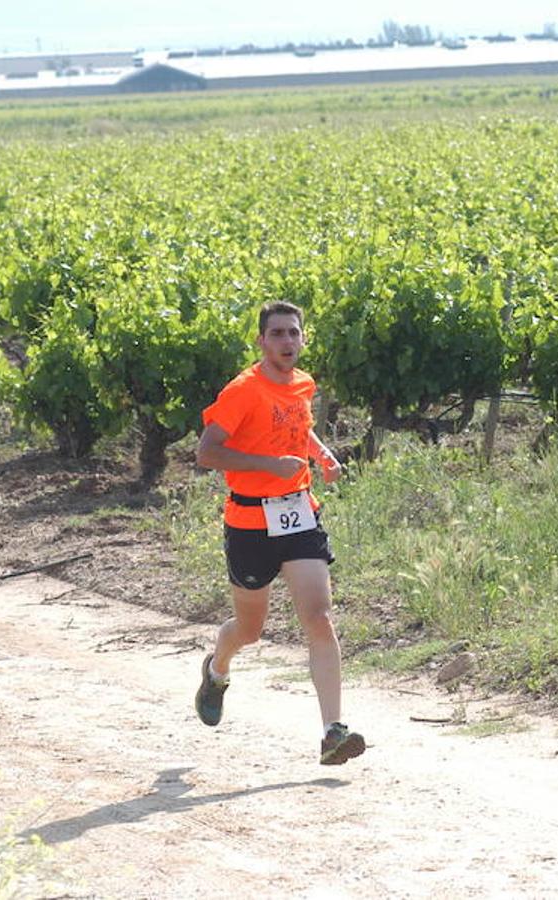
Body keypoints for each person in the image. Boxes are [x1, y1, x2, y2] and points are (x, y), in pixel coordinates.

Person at [193, 301, 366, 766]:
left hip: (299, 515)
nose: (287, 342)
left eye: (294, 333)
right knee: (249, 630)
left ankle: (333, 731)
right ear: (261, 341)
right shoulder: (243, 390)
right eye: (277, 334)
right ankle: (216, 670)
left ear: (303, 338)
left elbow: (299, 428)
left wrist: (322, 455)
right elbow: (207, 453)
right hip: (249, 522)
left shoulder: (304, 384)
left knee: (319, 617)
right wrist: (268, 466)